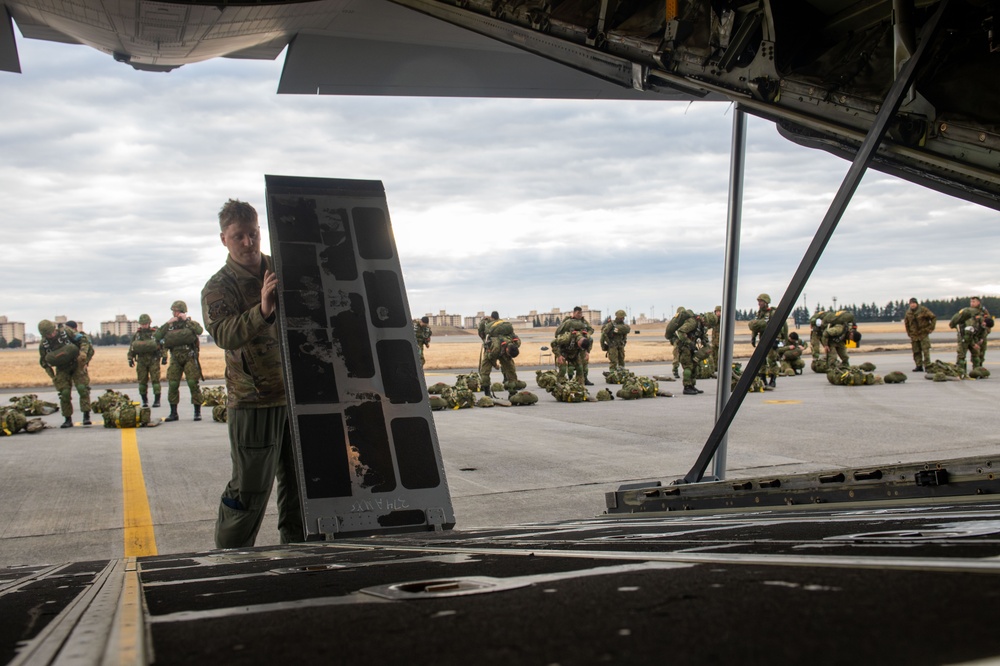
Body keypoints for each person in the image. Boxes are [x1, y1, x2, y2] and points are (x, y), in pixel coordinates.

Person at [201, 198, 304, 548]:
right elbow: (224, 334)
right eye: (238, 236)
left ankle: (300, 550)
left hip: (296, 395)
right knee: (249, 487)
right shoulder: (219, 286)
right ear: (223, 239)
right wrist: (262, 309)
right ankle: (231, 557)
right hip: (254, 401)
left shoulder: (281, 269)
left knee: (301, 483)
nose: (248, 243)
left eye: (253, 234)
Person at [37, 319, 92, 428]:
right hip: (62, 369)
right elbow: (44, 362)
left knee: (82, 388)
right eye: (48, 334)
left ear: (54, 328)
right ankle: (67, 419)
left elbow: (84, 340)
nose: (51, 335)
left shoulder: (66, 332)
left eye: (52, 332)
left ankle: (86, 416)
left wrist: (83, 354)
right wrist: (53, 377)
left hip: (77, 364)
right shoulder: (44, 344)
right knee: (65, 393)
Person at [155, 301, 204, 422]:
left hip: (189, 356)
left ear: (182, 311)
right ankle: (173, 413)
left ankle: (197, 411)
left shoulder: (190, 324)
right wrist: (168, 323)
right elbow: (157, 335)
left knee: (193, 383)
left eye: (176, 311)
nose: (174, 313)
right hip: (175, 357)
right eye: (173, 311)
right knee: (172, 384)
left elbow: (199, 330)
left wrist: (187, 320)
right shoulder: (170, 326)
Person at [478, 311, 520, 397]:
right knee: (485, 372)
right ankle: (487, 393)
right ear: (508, 350)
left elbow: (481, 333)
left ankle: (513, 393)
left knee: (511, 371)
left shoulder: (516, 344)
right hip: (493, 350)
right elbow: (491, 357)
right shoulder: (497, 347)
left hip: (500, 350)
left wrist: (506, 359)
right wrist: (495, 365)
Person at [749, 294, 785, 388]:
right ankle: (763, 379)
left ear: (766, 302)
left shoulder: (772, 313)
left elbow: (780, 326)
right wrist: (753, 337)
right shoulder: (759, 313)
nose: (759, 303)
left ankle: (773, 380)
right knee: (761, 361)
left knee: (772, 360)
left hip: (772, 339)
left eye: (761, 301)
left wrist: (779, 339)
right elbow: (756, 327)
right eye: (758, 301)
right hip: (762, 339)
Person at [127, 313, 163, 407]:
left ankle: (157, 401)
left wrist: (164, 356)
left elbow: (162, 345)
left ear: (149, 323)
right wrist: (130, 358)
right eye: (142, 324)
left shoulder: (155, 334)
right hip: (141, 360)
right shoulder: (137, 335)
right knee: (142, 381)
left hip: (153, 359)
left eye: (145, 323)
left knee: (155, 380)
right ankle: (145, 401)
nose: (144, 325)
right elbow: (132, 347)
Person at [950, 296, 993, 373]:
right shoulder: (969, 313)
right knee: (962, 355)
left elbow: (984, 329)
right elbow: (968, 334)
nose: (972, 303)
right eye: (971, 302)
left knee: (977, 354)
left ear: (978, 302)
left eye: (974, 302)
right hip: (965, 335)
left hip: (974, 335)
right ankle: (961, 371)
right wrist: (973, 344)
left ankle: (977, 370)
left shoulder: (983, 313)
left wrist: (981, 339)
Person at [556, 306, 595, 384]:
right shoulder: (568, 322)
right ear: (573, 313)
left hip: (581, 345)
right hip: (569, 344)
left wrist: (587, 334)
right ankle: (567, 379)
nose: (579, 315)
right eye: (578, 313)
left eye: (581, 313)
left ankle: (584, 379)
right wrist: (567, 337)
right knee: (568, 365)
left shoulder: (584, 322)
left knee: (583, 363)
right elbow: (558, 333)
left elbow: (591, 330)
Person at [675, 308, 708, 395]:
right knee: (688, 367)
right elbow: (680, 332)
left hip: (692, 347)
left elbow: (702, 337)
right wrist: (689, 343)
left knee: (694, 365)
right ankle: (686, 387)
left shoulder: (700, 325)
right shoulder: (693, 322)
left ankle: (692, 385)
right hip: (685, 348)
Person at [904, 298, 936, 372]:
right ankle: (918, 365)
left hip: (923, 333)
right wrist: (909, 333)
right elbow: (907, 323)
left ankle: (928, 365)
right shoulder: (908, 313)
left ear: (916, 304)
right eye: (911, 303)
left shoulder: (923, 310)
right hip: (914, 335)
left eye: (914, 303)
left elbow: (933, 317)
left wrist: (930, 328)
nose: (912, 305)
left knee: (925, 350)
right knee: (916, 351)